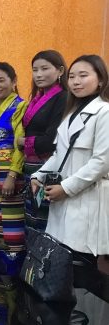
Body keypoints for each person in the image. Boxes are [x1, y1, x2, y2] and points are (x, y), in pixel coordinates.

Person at [31, 55, 109, 261]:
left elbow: (101, 162)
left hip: (88, 199)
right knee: (61, 258)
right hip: (63, 201)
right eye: (72, 76)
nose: (76, 81)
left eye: (83, 75)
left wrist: (66, 188)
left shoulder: (104, 111)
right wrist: (38, 176)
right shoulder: (71, 112)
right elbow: (60, 154)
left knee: (81, 261)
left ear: (101, 80)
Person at [18, 50, 67, 231]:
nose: (38, 74)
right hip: (30, 167)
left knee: (43, 220)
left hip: (47, 167)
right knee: (31, 217)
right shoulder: (37, 97)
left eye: (44, 69)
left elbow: (51, 139)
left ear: (60, 71)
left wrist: (23, 142)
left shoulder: (63, 98)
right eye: (35, 70)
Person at [0, 62, 27, 252]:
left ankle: (12, 263)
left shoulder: (20, 106)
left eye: (1, 80)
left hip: (8, 171)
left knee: (9, 219)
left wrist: (12, 175)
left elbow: (21, 145)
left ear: (14, 81)